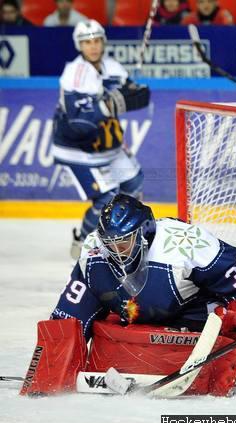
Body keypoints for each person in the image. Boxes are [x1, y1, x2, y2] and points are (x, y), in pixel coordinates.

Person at [21, 194, 236, 396]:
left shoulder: (186, 243)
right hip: (137, 313)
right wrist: (51, 370)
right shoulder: (94, 253)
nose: (115, 252)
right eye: (109, 244)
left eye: (123, 244)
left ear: (145, 232)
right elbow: (69, 315)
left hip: (193, 313)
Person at [51, 20, 150, 259]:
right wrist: (107, 105)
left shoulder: (114, 67)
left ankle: (124, 239)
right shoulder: (74, 74)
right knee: (106, 198)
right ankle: (84, 243)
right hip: (78, 149)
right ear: (79, 46)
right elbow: (78, 122)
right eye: (87, 42)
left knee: (133, 185)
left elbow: (138, 97)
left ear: (103, 42)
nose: (93, 47)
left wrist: (132, 90)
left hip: (109, 146)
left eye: (97, 41)